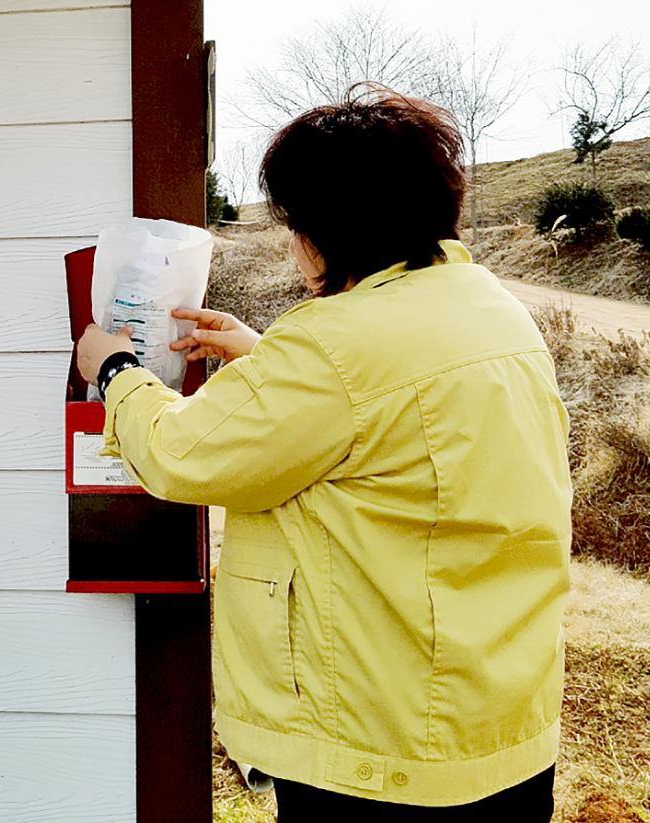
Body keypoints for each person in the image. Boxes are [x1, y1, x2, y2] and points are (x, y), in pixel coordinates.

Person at [76, 84, 572, 822]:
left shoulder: (335, 345)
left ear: (328, 227)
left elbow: (183, 453)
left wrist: (115, 369)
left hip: (381, 752)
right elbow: (389, 413)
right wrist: (269, 354)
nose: (292, 239)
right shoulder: (490, 309)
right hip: (499, 728)